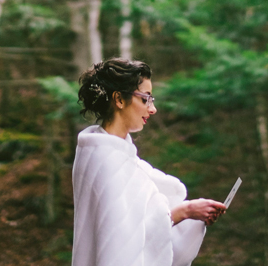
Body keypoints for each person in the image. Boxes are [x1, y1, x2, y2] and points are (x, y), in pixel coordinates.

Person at [71, 58, 227, 266]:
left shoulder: (113, 153)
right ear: (119, 99)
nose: (152, 109)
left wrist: (190, 211)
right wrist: (186, 211)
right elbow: (121, 247)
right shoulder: (106, 161)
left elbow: (137, 230)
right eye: (145, 99)